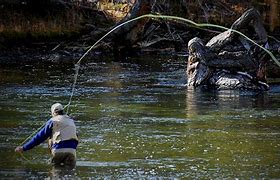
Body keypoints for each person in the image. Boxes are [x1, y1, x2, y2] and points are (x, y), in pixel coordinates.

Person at [15, 103, 79, 168]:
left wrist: (24, 148)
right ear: (62, 111)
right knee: (70, 173)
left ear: (53, 113)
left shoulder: (52, 121)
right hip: (72, 151)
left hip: (58, 150)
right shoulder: (71, 121)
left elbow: (39, 137)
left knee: (55, 172)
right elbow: (76, 137)